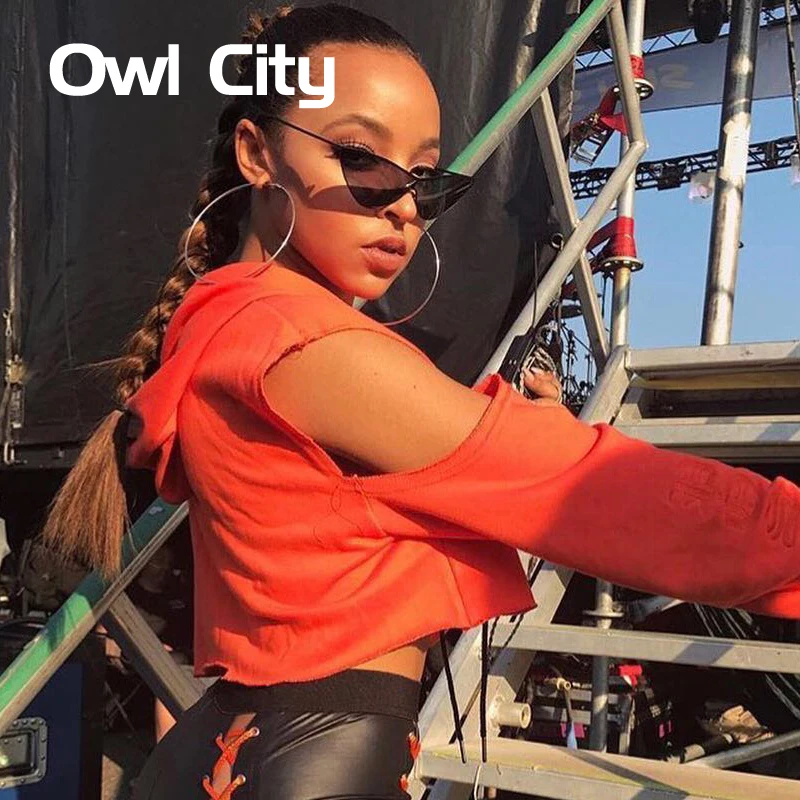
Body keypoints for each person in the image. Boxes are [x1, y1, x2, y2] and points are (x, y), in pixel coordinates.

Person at [39, 4, 800, 798]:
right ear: (258, 154)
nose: (404, 205)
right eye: (364, 160)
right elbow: (601, 495)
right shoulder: (305, 346)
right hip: (318, 765)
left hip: (243, 748)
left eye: (426, 178)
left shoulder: (226, 326)